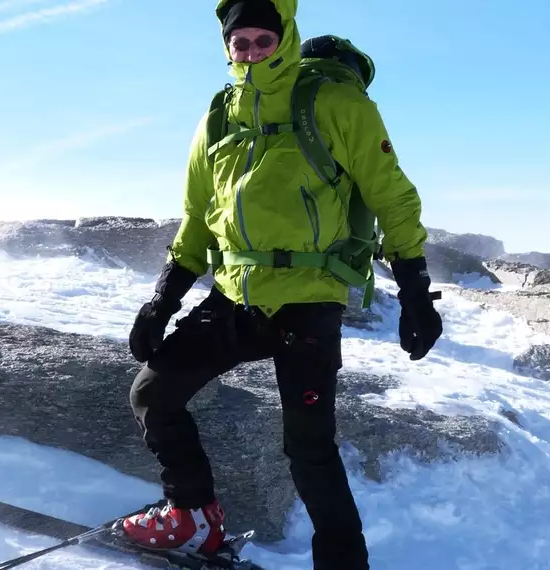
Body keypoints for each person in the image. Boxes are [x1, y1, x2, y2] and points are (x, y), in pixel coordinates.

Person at [120, 1, 443, 568]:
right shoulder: (219, 113)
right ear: (226, 46)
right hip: (235, 297)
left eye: (262, 40)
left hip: (309, 301)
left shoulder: (338, 103)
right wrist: (162, 299)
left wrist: (415, 290)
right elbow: (198, 214)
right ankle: (191, 519)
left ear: (286, 37)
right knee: (153, 392)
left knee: (309, 448)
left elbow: (393, 196)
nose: (250, 53)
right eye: (238, 42)